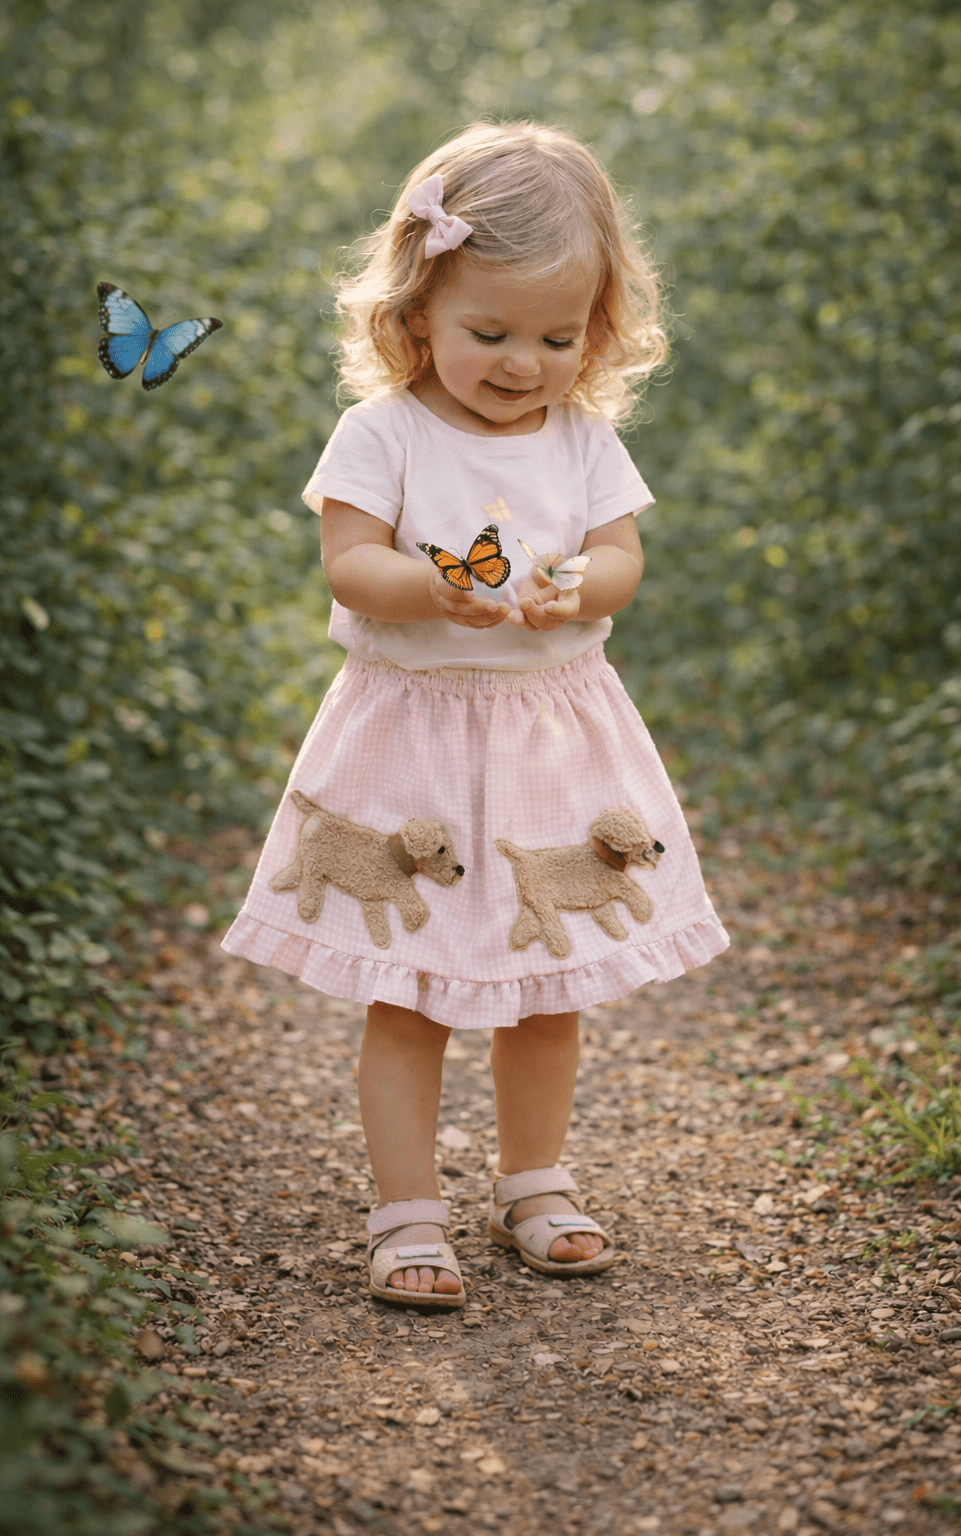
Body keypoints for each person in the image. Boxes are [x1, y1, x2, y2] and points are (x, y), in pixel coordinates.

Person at [222, 121, 729, 1309]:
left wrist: (578, 588)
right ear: (413, 321)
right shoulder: (383, 432)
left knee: (545, 992)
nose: (521, 365)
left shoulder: (582, 440)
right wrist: (432, 583)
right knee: (409, 993)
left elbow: (620, 558)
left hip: (549, 733)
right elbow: (351, 566)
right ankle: (405, 1212)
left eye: (557, 338)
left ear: (597, 331)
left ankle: (533, 1183)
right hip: (413, 736)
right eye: (488, 333)